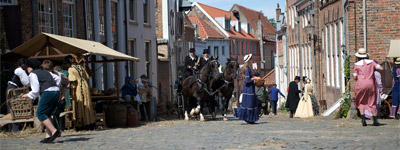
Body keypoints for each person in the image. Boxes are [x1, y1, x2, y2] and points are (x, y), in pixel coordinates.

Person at [22, 59, 61, 143]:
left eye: (27, 68)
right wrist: (54, 86)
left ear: (30, 67)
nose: (26, 70)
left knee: (40, 113)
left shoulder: (33, 74)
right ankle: (48, 136)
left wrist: (27, 95)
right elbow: (58, 78)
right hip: (56, 92)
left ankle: (54, 131)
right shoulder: (46, 72)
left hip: (48, 93)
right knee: (47, 114)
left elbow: (35, 90)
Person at [353, 48, 383, 126]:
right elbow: (380, 68)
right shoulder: (372, 62)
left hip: (361, 84)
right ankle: (375, 120)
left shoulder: (356, 64)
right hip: (371, 83)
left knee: (361, 100)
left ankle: (363, 120)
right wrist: (372, 71)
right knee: (372, 101)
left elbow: (355, 77)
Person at [66, 55, 95, 130]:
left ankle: (81, 124)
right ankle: (89, 122)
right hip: (85, 85)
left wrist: (72, 93)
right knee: (87, 103)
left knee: (80, 104)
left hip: (79, 87)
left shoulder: (71, 69)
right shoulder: (81, 67)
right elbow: (86, 76)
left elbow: (73, 82)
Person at [235, 54, 260, 124]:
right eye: (251, 59)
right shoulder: (247, 69)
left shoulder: (248, 69)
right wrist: (255, 78)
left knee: (250, 103)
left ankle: (249, 118)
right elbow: (247, 80)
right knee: (250, 103)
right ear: (248, 61)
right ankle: (249, 118)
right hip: (248, 89)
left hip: (249, 87)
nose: (252, 61)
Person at [6, 58, 30, 132]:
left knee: (14, 107)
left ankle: (13, 128)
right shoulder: (20, 70)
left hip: (13, 88)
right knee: (15, 107)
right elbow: (26, 82)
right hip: (13, 88)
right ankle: (14, 129)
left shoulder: (19, 70)